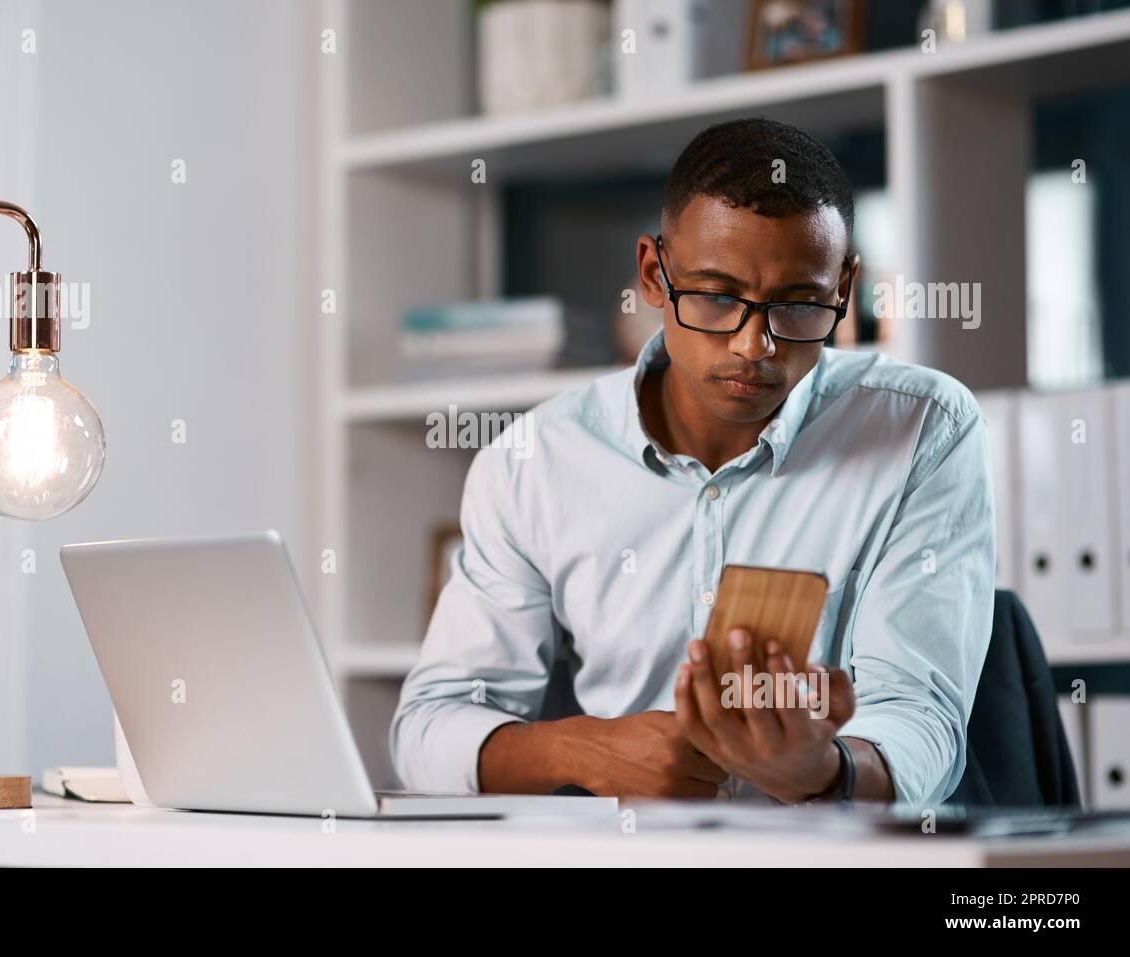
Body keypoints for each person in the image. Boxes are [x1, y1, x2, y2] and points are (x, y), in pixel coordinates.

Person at [390, 117, 995, 806]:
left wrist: (823, 769)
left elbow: (922, 722)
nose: (753, 346)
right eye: (715, 296)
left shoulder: (923, 429)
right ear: (654, 273)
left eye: (797, 305)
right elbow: (427, 729)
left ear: (843, 287)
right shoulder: (534, 462)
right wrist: (589, 749)